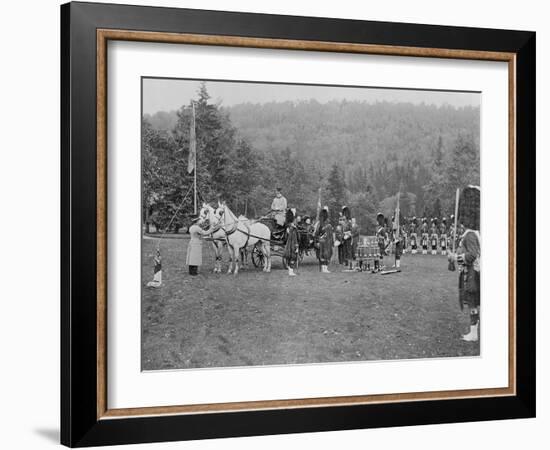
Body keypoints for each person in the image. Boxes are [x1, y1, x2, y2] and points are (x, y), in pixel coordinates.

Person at [448, 186, 481, 342]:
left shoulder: (470, 235)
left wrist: (455, 257)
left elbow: (472, 255)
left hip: (473, 274)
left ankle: (474, 333)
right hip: (472, 273)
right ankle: (474, 331)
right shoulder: (472, 233)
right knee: (473, 303)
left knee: (473, 303)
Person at [315, 206, 334, 273]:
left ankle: (323, 268)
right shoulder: (328, 225)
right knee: (326, 254)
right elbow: (330, 235)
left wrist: (317, 241)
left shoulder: (319, 224)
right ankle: (324, 268)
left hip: (321, 241)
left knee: (322, 255)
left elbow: (316, 234)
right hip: (325, 242)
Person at [283, 209, 299, 276]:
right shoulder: (293, 227)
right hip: (292, 243)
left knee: (289, 256)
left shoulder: (288, 225)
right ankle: (291, 271)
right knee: (292, 256)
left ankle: (290, 270)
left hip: (288, 243)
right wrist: (296, 246)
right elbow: (294, 237)